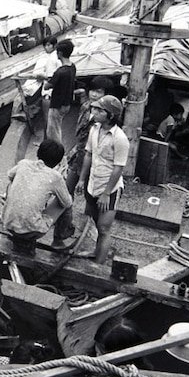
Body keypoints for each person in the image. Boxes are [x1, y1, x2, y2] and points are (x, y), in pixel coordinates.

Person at [77, 95, 129, 264]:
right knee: (94, 221)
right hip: (92, 183)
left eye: (100, 110)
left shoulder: (120, 138)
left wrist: (107, 193)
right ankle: (96, 252)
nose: (95, 112)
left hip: (109, 188)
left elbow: (118, 167)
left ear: (110, 115)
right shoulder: (94, 129)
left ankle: (98, 265)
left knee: (104, 228)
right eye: (95, 109)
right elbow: (89, 154)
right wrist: (81, 180)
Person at [1, 139, 74, 250]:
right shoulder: (55, 177)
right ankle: (58, 240)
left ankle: (15, 219)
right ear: (58, 162)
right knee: (66, 202)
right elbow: (67, 203)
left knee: (12, 183)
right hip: (32, 230)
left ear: (37, 153)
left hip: (7, 223)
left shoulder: (23, 163)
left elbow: (10, 175)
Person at [65, 76, 115, 195]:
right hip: (79, 155)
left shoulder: (107, 118)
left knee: (91, 194)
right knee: (67, 189)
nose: (94, 94)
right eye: (92, 90)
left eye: (99, 92)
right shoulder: (86, 107)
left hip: (96, 160)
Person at [46, 40, 76, 144]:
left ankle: (57, 153)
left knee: (53, 132)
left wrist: (43, 78)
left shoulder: (60, 72)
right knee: (57, 127)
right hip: (66, 104)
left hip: (57, 105)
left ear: (60, 53)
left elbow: (47, 87)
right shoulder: (72, 67)